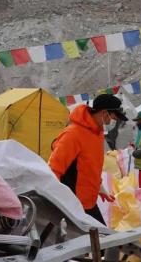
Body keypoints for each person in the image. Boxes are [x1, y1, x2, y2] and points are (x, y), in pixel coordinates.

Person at [49, 94, 127, 224]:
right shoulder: (73, 134)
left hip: (88, 201)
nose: (112, 122)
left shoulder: (98, 133)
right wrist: (58, 203)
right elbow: (54, 169)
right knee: (98, 240)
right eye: (112, 118)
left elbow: (90, 164)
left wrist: (99, 186)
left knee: (102, 239)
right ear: (104, 113)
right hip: (74, 204)